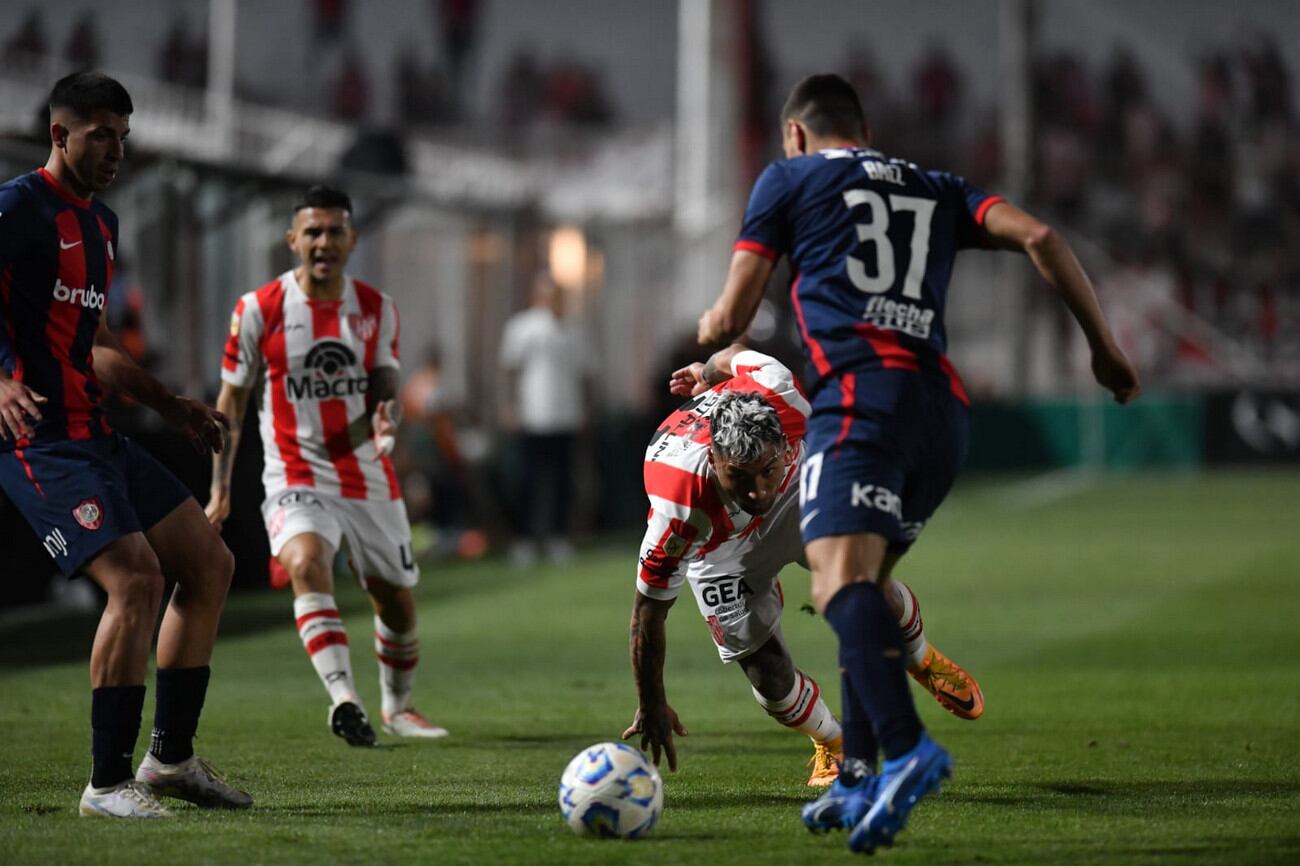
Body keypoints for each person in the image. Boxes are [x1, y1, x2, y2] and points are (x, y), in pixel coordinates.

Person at [698, 74, 1140, 854]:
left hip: (861, 399)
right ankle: (862, 772)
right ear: (863, 129)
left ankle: (906, 749)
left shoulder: (790, 177)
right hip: (942, 411)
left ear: (795, 134)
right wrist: (1103, 349)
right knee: (859, 588)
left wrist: (714, 327)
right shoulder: (935, 187)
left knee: (836, 585)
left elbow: (733, 312)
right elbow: (1041, 238)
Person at [0, 71, 250, 818]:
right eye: (100, 134)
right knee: (135, 578)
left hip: (96, 433)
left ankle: (170, 762)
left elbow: (95, 343)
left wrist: (169, 404)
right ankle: (105, 784)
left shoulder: (102, 225)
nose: (114, 149)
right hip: (37, 442)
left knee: (209, 561)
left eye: (122, 136)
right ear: (59, 135)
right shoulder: (17, 208)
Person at [623, 343, 983, 788]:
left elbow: (733, 354)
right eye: (739, 475)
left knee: (862, 580)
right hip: (719, 550)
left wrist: (706, 370)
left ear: (784, 441)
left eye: (764, 470)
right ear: (713, 458)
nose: (756, 492)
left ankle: (922, 659)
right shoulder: (677, 508)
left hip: (796, 494)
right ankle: (834, 742)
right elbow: (647, 614)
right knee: (768, 678)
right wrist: (651, 700)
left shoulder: (781, 394)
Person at [207, 185, 447, 747]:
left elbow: (385, 378)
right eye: (312, 232)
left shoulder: (375, 308)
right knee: (306, 563)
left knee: (395, 600)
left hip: (365, 471)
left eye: (335, 231)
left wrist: (387, 413)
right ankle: (345, 699)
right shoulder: (257, 309)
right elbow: (231, 404)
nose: (323, 242)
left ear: (352, 239)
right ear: (293, 240)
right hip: (293, 473)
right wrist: (219, 489)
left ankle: (398, 706)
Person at [498, 271, 592, 566]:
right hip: (532, 415)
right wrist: (509, 406)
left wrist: (586, 409)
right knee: (527, 479)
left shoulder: (577, 329)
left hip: (566, 415)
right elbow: (509, 369)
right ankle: (523, 538)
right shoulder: (522, 327)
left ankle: (557, 536)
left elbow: (586, 374)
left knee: (563, 479)